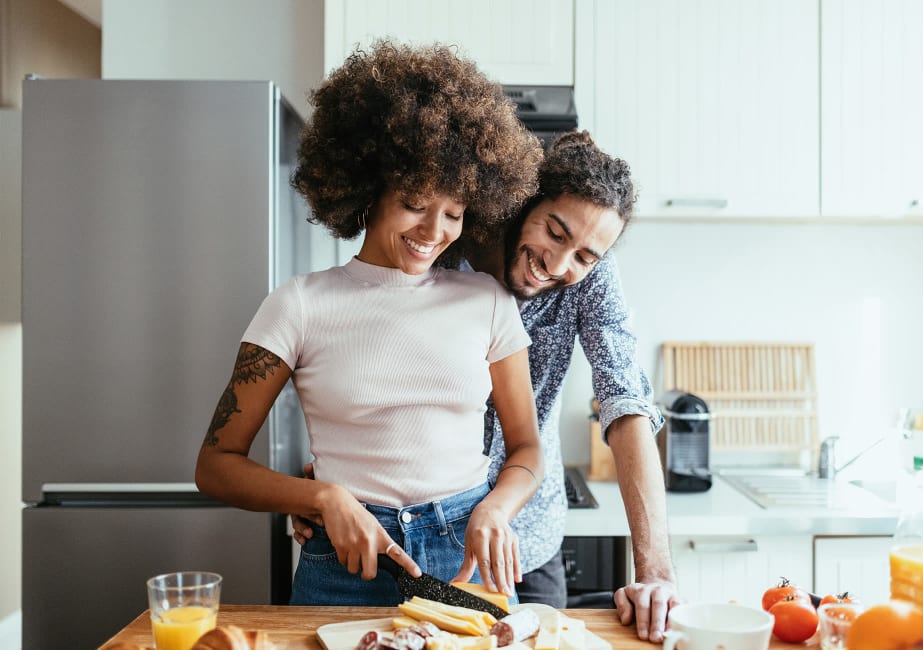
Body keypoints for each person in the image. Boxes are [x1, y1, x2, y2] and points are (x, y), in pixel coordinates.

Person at [195, 39, 545, 607]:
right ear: (368, 189)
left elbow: (527, 447)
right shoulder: (298, 305)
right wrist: (320, 499)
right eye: (414, 202)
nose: (434, 230)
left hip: (464, 557)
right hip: (343, 559)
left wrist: (496, 508)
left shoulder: (487, 301)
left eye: (454, 213)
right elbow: (215, 466)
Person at [294, 130, 682, 641]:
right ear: (525, 202)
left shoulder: (591, 274)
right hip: (397, 538)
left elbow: (625, 399)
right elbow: (362, 357)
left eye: (585, 255)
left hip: (521, 543)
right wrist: (334, 478)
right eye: (554, 232)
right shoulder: (438, 246)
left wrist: (654, 571)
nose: (560, 265)